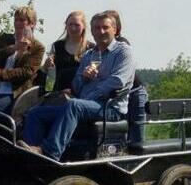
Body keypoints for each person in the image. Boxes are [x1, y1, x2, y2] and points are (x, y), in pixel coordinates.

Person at [19, 11, 135, 160]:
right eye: (97, 28)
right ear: (92, 31)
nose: (101, 31)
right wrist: (84, 78)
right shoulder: (89, 55)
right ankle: (30, 155)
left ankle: (49, 152)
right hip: (84, 105)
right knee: (36, 113)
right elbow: (76, 86)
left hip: (110, 107)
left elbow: (117, 81)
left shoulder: (123, 52)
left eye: (105, 27)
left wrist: (87, 98)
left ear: (114, 29)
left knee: (74, 105)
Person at [104, 9, 148, 143]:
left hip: (134, 92)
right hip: (117, 96)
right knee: (118, 131)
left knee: (136, 131)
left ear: (115, 27)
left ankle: (138, 161)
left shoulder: (122, 44)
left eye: (108, 25)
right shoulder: (100, 47)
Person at [42, 11, 94, 92]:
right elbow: (50, 75)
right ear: (66, 25)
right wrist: (45, 67)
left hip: (81, 93)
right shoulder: (57, 46)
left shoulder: (91, 48)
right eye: (70, 24)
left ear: (83, 26)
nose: (73, 28)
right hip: (58, 92)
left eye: (77, 25)